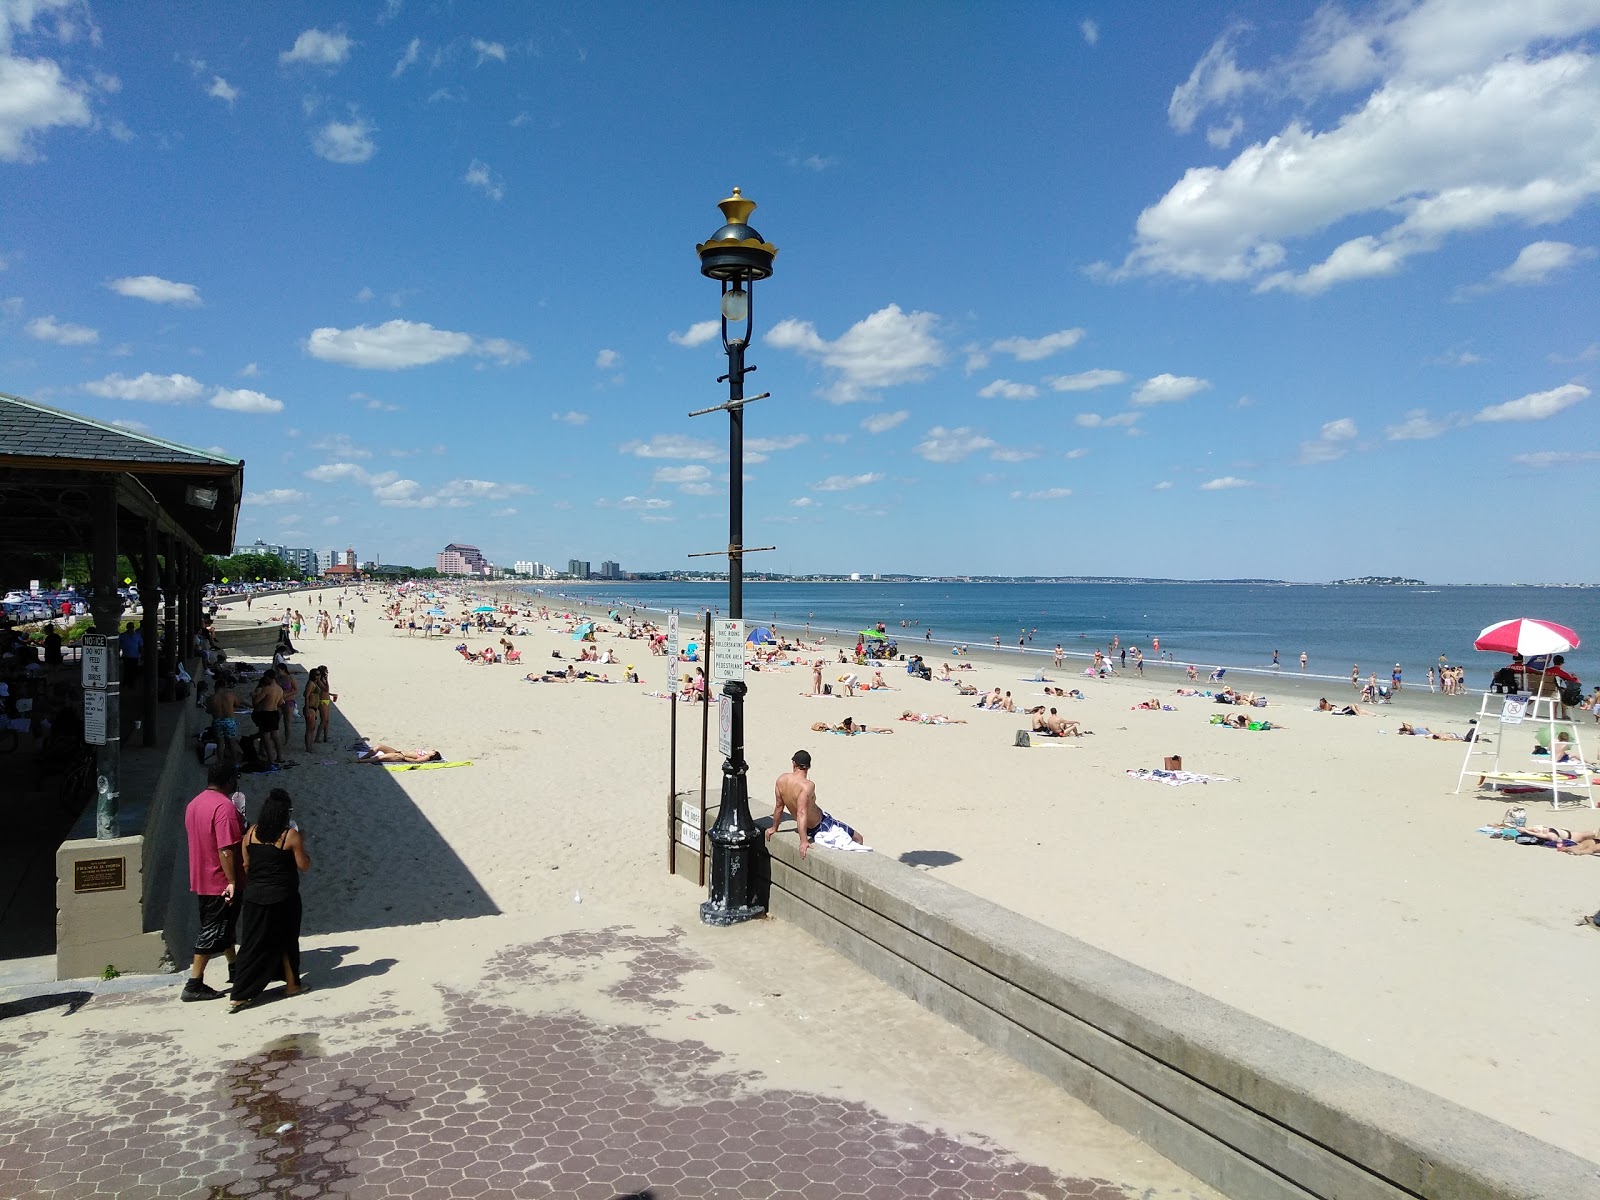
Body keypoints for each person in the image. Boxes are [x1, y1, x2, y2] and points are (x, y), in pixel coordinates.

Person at [229, 788, 310, 1012]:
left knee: (252, 943)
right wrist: (302, 841)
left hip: (255, 896)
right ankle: (292, 985)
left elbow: (246, 866)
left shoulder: (251, 833)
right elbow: (304, 865)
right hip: (283, 897)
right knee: (287, 940)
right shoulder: (289, 835)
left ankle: (241, 992)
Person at [182, 763, 244, 1002]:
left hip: (201, 876)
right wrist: (231, 881)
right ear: (228, 780)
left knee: (224, 926)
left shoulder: (194, 804)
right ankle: (194, 982)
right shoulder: (224, 807)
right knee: (212, 929)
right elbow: (225, 849)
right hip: (219, 880)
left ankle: (234, 967)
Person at [767, 749, 864, 858]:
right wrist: (803, 841)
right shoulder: (807, 785)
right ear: (808, 767)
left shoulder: (781, 779)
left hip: (805, 827)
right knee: (858, 838)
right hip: (821, 825)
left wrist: (774, 828)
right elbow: (801, 812)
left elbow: (779, 806)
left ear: (794, 763)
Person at [251, 669, 285, 764]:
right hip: (275, 712)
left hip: (266, 713)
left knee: (266, 737)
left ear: (269, 678)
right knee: (276, 736)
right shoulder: (280, 689)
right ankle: (280, 756)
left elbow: (256, 701)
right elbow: (280, 702)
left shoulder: (268, 689)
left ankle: (271, 759)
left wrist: (253, 695)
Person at [355, 743, 444, 763]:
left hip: (399, 756)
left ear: (433, 754)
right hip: (398, 752)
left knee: (381, 757)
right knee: (379, 746)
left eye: (433, 751)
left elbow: (417, 761)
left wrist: (403, 758)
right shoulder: (425, 754)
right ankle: (363, 758)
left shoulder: (426, 757)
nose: (431, 750)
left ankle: (361, 761)